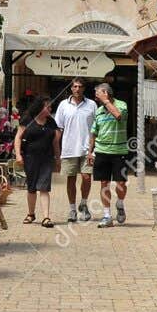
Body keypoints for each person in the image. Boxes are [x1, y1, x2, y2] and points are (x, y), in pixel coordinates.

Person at [52, 78, 97, 222]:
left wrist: (94, 149)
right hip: (69, 148)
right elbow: (58, 129)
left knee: (87, 177)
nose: (77, 89)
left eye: (80, 86)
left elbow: (97, 128)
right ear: (71, 88)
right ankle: (72, 210)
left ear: (84, 88)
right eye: (75, 86)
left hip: (87, 149)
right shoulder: (63, 105)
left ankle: (83, 204)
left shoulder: (92, 105)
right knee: (71, 179)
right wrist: (56, 151)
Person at [87, 81, 131, 227]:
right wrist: (90, 152)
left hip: (119, 151)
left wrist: (106, 101)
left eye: (98, 95)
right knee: (104, 183)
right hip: (101, 151)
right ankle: (107, 215)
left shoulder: (121, 105)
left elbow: (118, 115)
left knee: (120, 183)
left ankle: (120, 203)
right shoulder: (99, 111)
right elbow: (94, 133)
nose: (96, 98)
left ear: (106, 93)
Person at [13, 98, 59, 227]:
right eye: (47, 107)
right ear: (40, 107)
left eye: (51, 107)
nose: (50, 109)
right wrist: (18, 155)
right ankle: (31, 214)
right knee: (32, 187)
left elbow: (55, 142)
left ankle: (46, 217)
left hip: (47, 158)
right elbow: (18, 138)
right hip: (30, 157)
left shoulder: (51, 122)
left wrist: (58, 158)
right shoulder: (27, 120)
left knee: (44, 187)